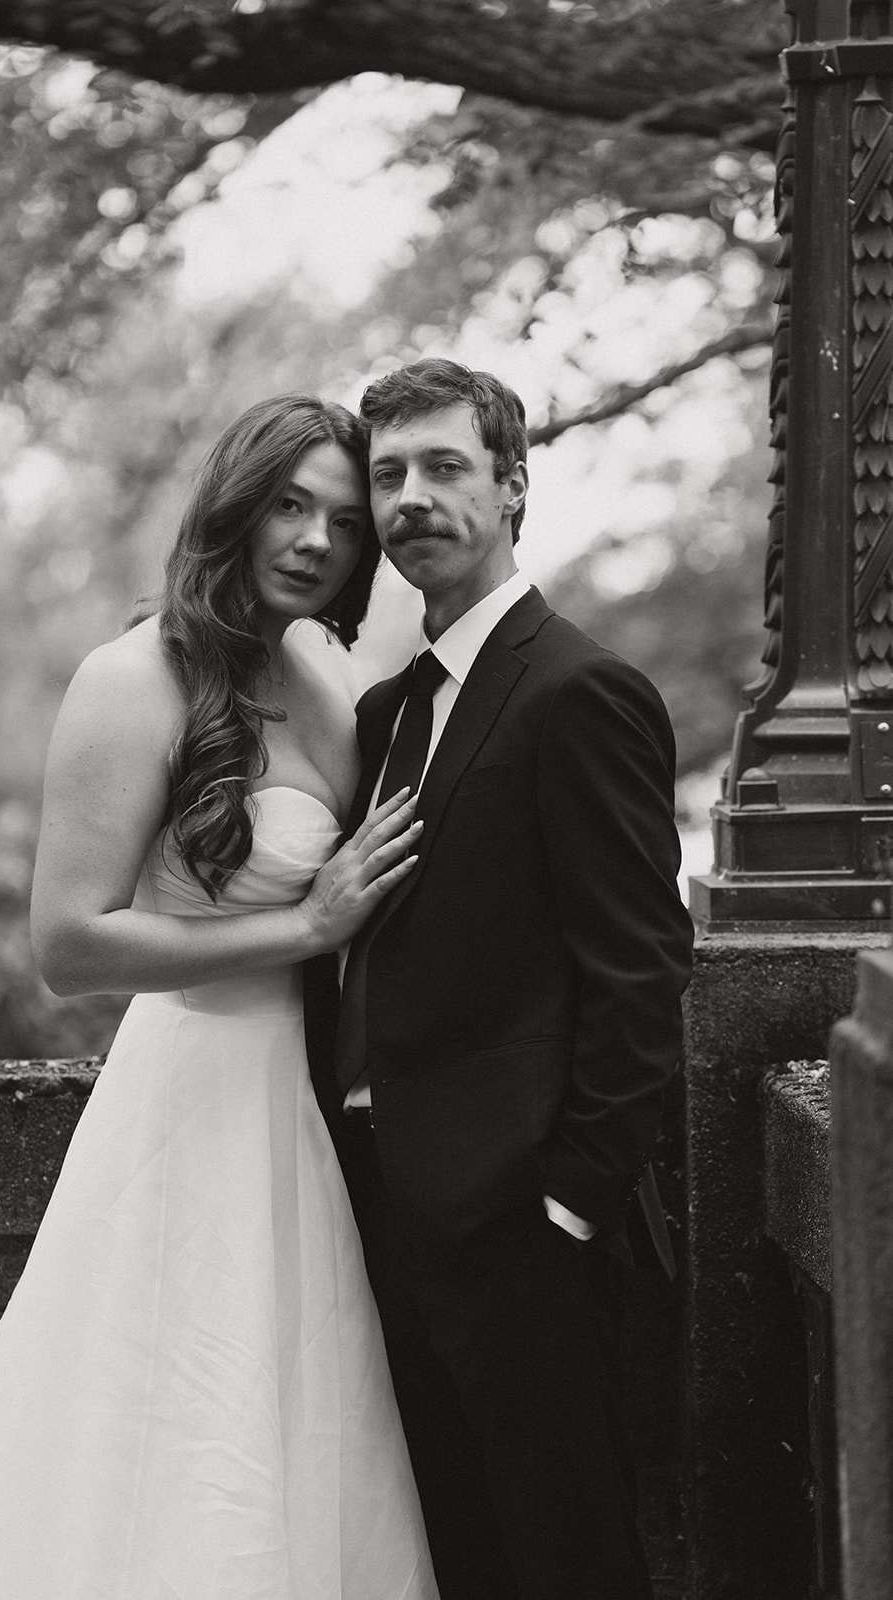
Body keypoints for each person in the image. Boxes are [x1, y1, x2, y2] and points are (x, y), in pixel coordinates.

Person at [0, 394, 440, 1600]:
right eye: (288, 503)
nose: (316, 540)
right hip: (189, 1100)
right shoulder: (131, 678)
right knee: (174, 1428)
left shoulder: (322, 682)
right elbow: (69, 942)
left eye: (341, 519)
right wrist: (304, 923)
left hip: (308, 1110)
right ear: (233, 502)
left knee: (303, 1424)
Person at [305, 358, 695, 1600]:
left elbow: (641, 974)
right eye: (387, 476)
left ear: (513, 486)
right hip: (380, 1209)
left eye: (443, 467)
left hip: (523, 1232)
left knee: (565, 1556)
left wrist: (567, 1206)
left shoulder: (580, 691)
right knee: (455, 1556)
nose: (409, 498)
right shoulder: (383, 717)